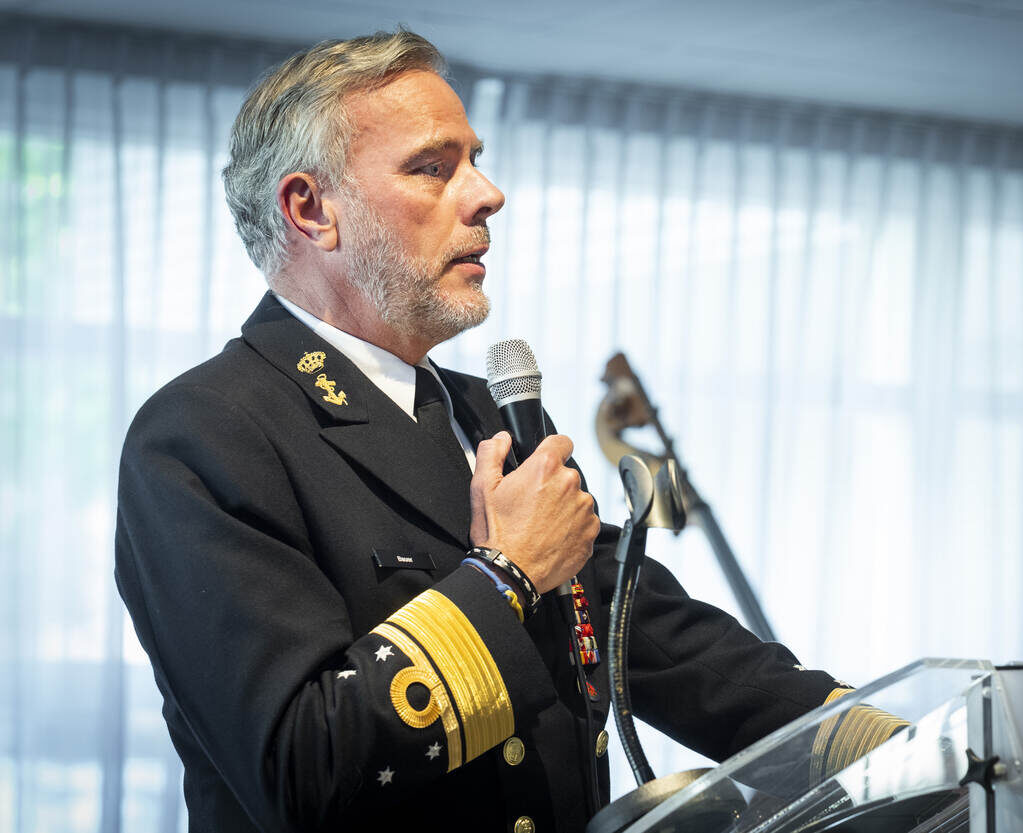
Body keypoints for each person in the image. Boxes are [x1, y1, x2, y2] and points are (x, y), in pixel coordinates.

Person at [115, 31, 901, 833]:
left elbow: (654, 639)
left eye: (475, 161)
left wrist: (900, 745)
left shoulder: (488, 413)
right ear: (311, 210)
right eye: (432, 167)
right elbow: (298, 765)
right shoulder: (207, 429)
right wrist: (507, 573)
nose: (487, 194)